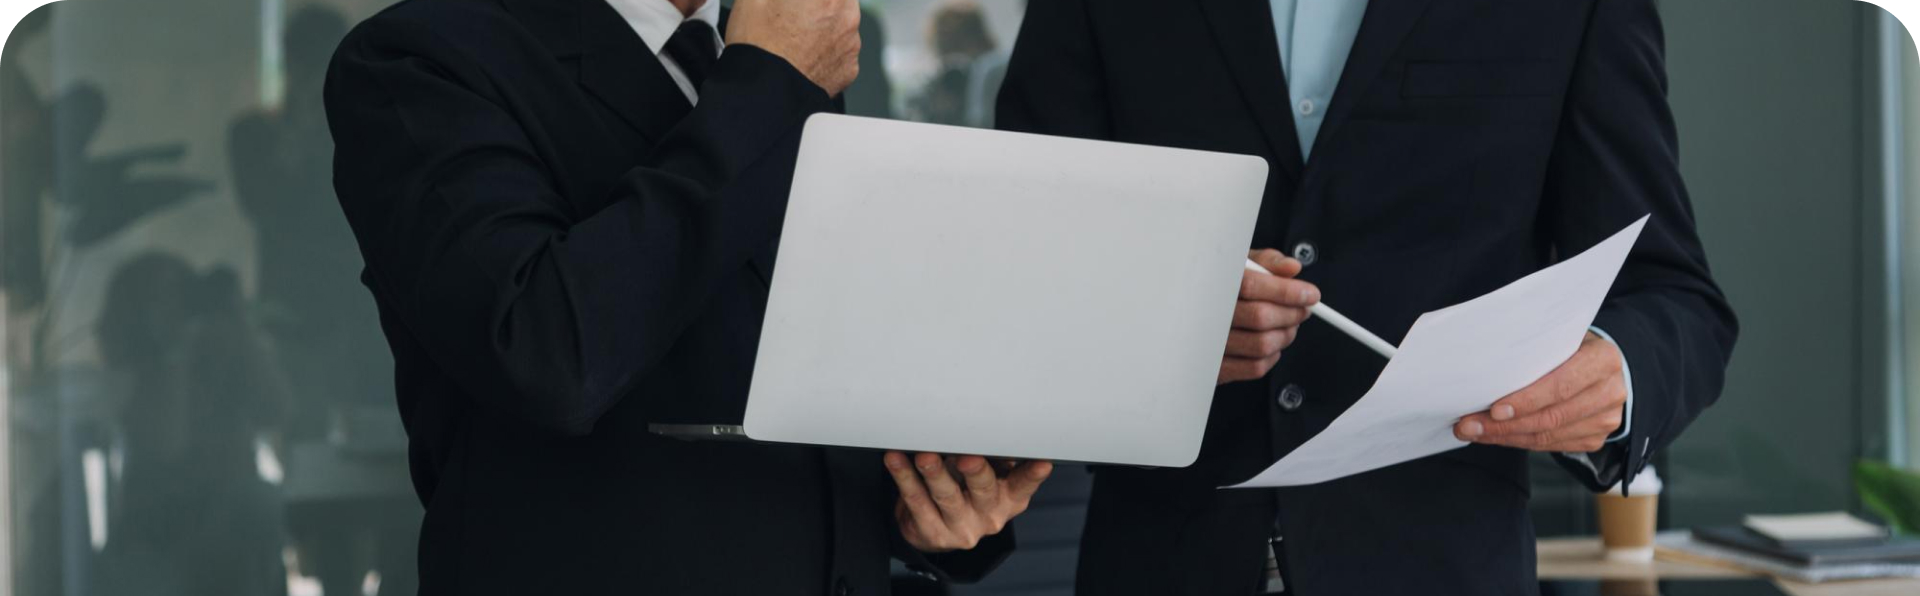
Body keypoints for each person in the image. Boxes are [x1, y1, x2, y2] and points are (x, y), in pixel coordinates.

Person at [997, 0, 1738, 594]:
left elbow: (1673, 295)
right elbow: (1014, 267)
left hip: (1443, 566)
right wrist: (1153, 320)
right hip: (1161, 563)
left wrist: (1619, 370)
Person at [324, 0, 1050, 594]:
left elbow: (782, 362)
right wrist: (768, 84)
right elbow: (545, 353)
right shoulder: (420, 57)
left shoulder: (777, 54)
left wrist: (924, 503)